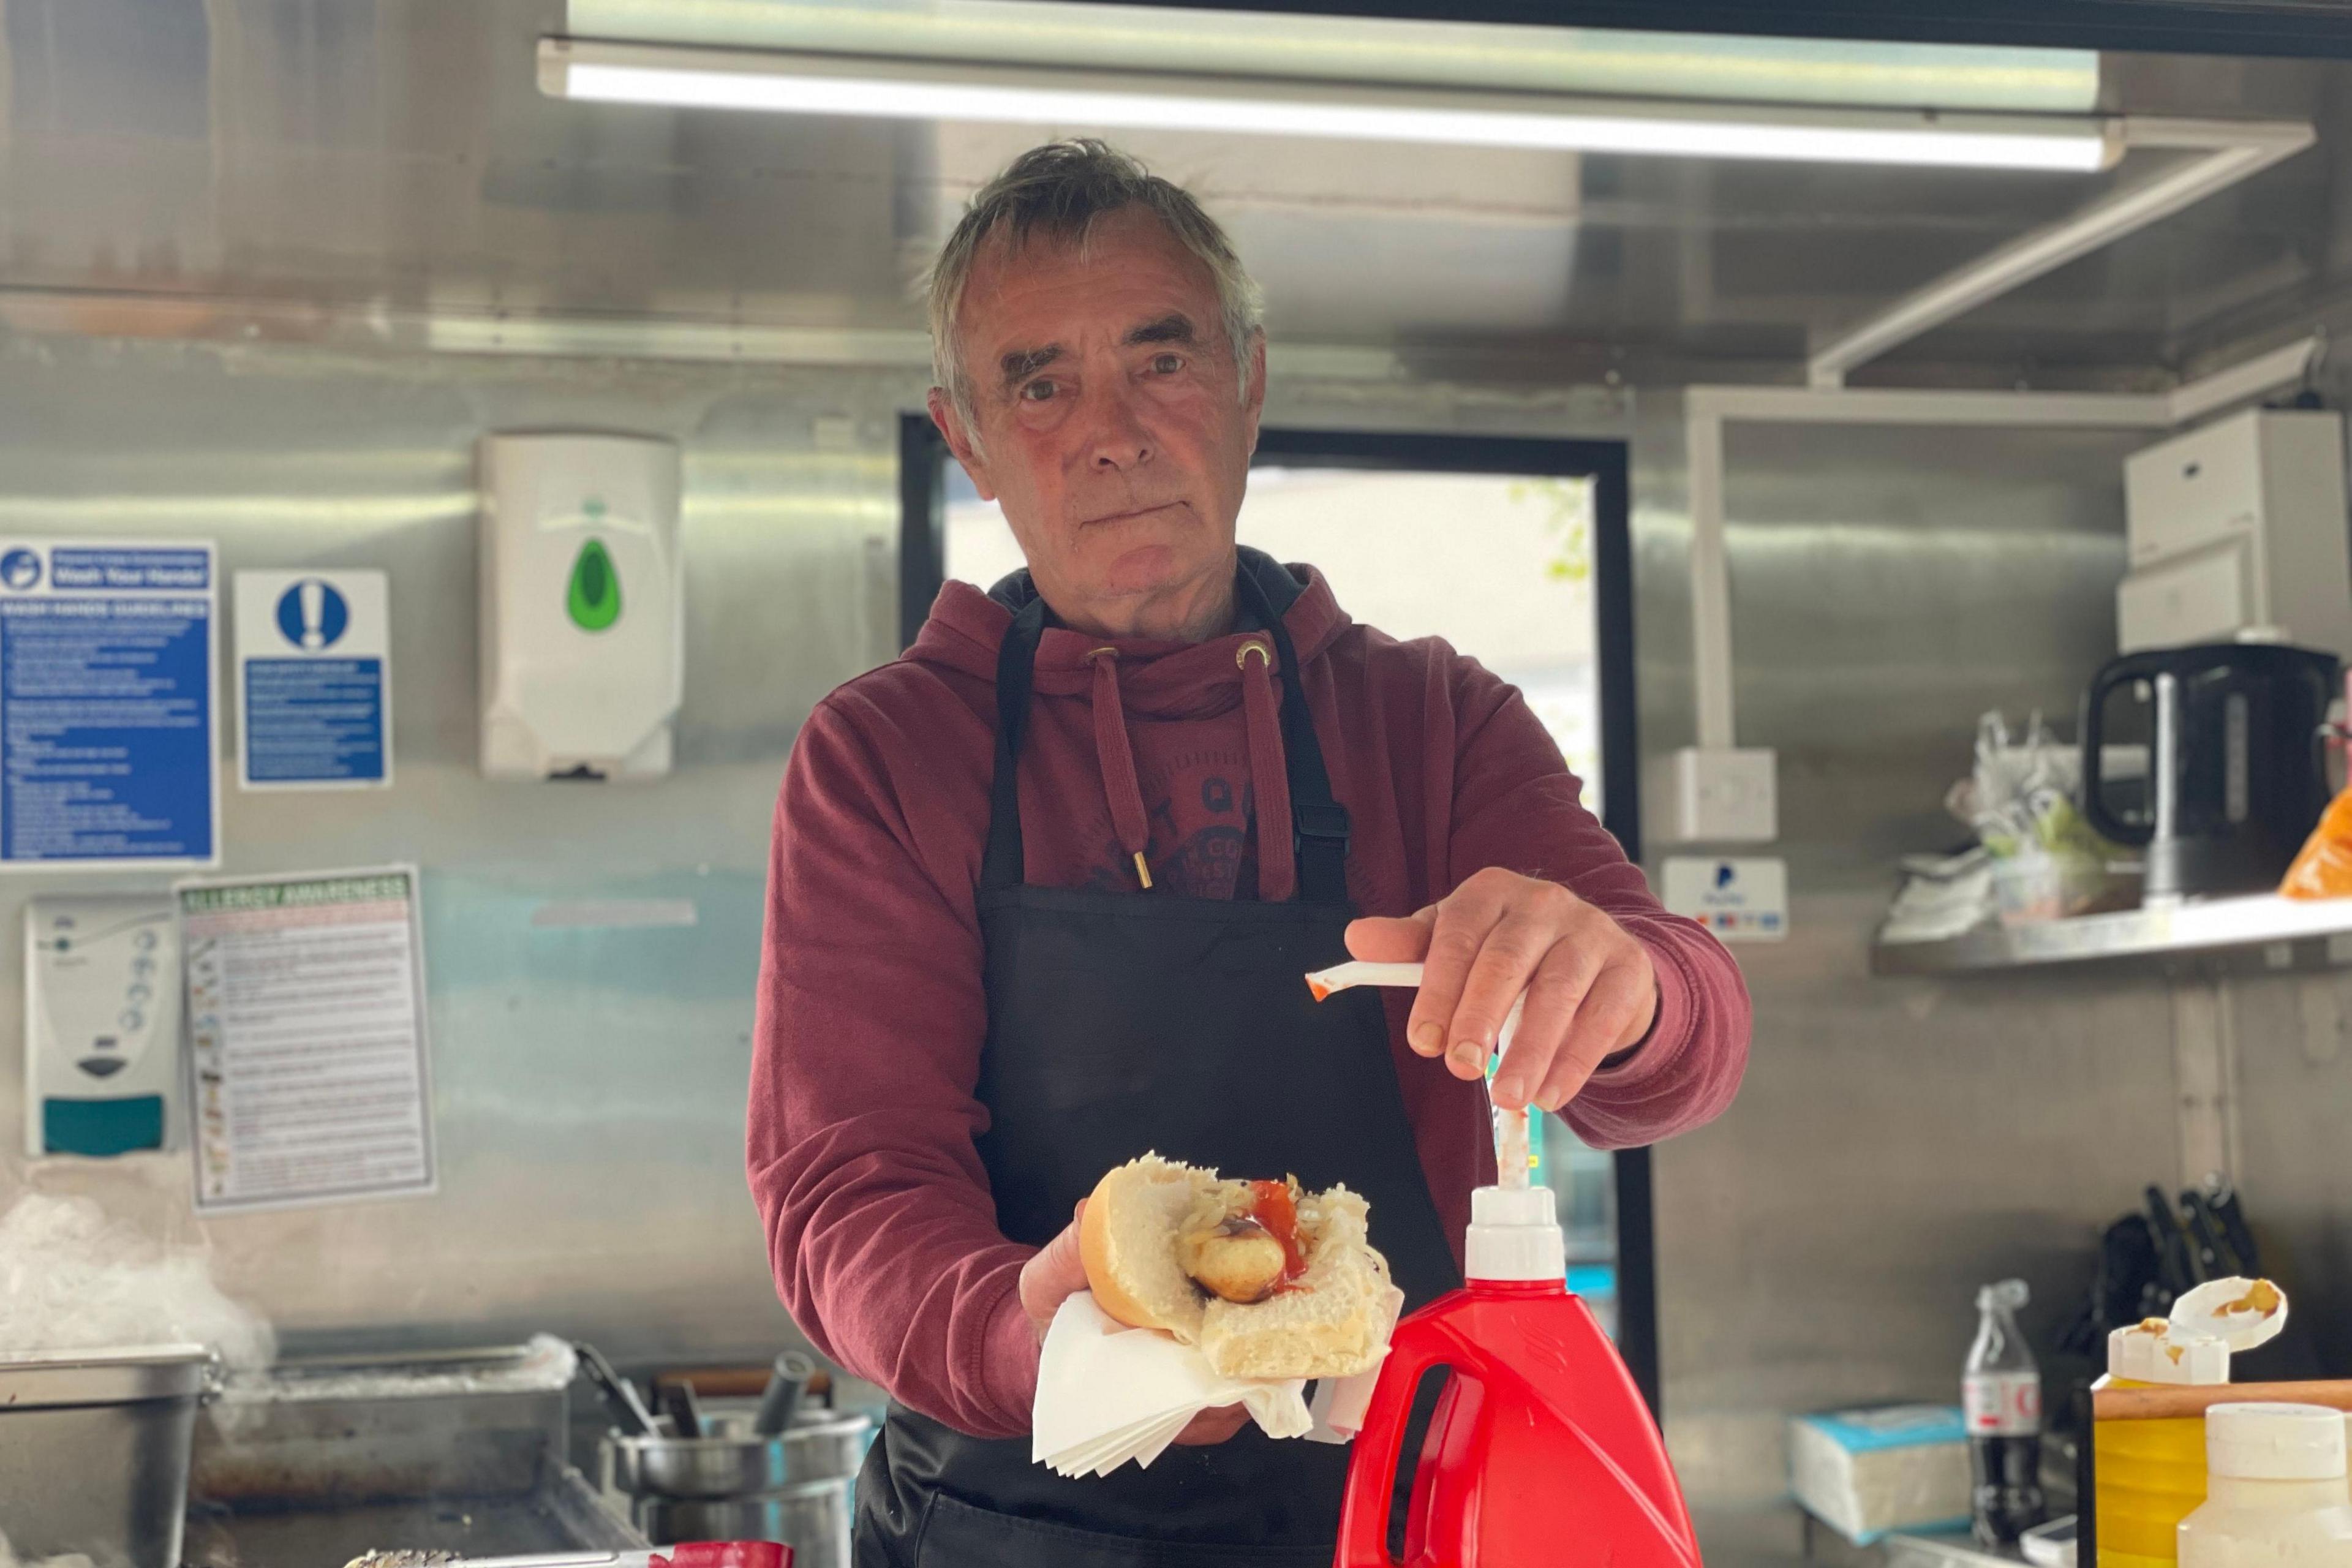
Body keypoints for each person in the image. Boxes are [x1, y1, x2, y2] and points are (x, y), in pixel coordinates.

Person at [747, 138, 1750, 1567]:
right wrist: (1032, 1338)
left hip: (1399, 1502)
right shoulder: (886, 756)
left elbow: (1684, 1037)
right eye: (1039, 382)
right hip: (1009, 1516)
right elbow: (847, 1188)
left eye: (1162, 361)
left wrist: (1629, 987)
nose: (1111, 430)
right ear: (963, 436)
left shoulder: (1435, 716)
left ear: (1248, 382)